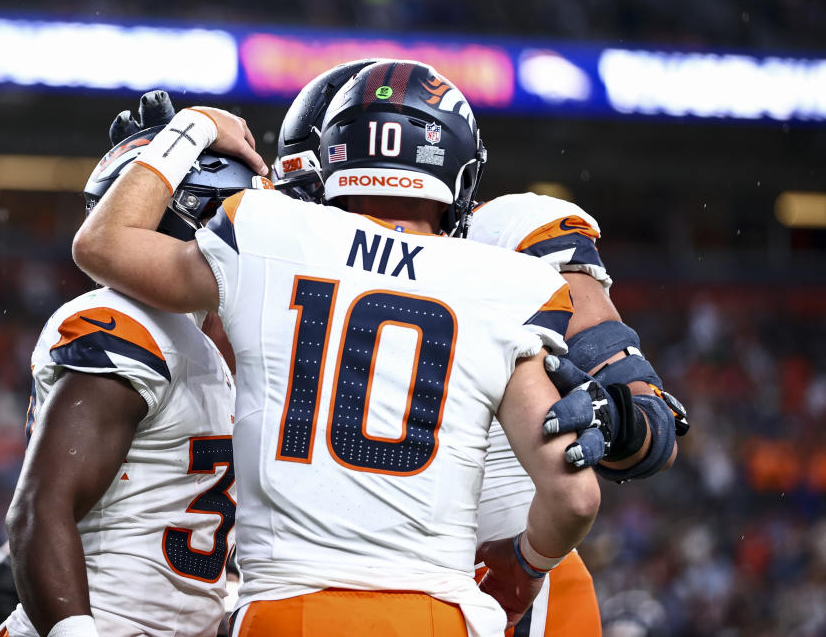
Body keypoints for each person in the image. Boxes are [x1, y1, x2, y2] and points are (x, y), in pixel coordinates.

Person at [72, 60, 601, 636]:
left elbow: (102, 244)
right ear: (461, 173)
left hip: (286, 610)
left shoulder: (267, 233)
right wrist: (523, 567)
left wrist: (192, 130)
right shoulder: (508, 284)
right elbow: (574, 497)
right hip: (435, 614)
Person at [269, 60, 690, 637]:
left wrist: (611, 419)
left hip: (507, 593)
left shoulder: (508, 240)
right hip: (342, 592)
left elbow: (652, 428)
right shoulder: (281, 265)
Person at [0, 106, 264, 637]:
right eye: (234, 217)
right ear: (197, 220)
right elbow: (40, 509)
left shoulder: (201, 345)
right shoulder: (128, 322)